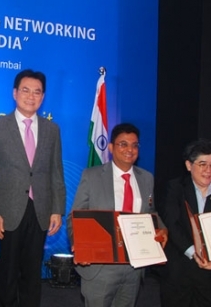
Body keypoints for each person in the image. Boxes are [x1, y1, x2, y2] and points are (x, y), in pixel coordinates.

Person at [0, 69, 66, 307]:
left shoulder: (52, 130)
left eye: (37, 92)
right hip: (8, 211)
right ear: (15, 93)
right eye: (26, 90)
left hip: (40, 209)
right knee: (7, 275)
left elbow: (56, 173)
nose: (31, 96)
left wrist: (57, 209)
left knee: (32, 275)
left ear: (43, 97)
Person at [68, 123, 167, 307]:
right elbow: (76, 216)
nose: (130, 149)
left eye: (135, 145)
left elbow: (150, 213)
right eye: (123, 144)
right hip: (100, 266)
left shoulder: (146, 178)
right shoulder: (92, 176)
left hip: (134, 267)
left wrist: (161, 228)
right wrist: (80, 245)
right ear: (112, 147)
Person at [159, 139, 211, 307]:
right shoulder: (175, 188)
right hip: (180, 272)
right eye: (202, 164)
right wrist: (194, 252)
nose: (208, 170)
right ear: (189, 165)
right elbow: (172, 224)